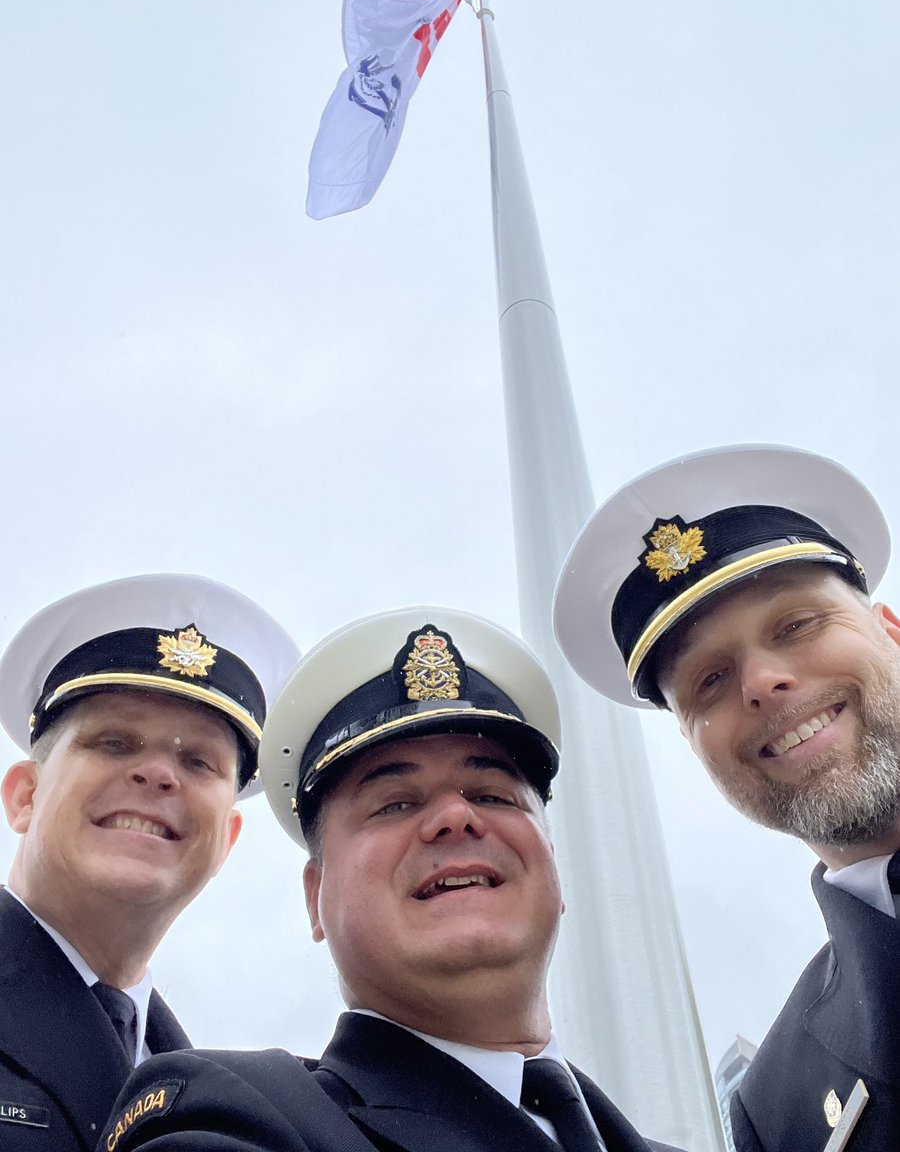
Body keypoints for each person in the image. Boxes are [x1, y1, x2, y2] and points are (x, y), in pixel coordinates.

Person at [99, 606, 679, 1152]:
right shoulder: (228, 1116)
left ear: (552, 864)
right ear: (314, 900)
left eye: (492, 795)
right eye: (394, 804)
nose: (456, 817)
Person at [553, 443, 900, 1152]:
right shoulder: (776, 1102)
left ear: (891, 631)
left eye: (797, 626)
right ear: (696, 744)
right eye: (709, 681)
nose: (761, 682)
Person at [0, 573, 299, 1152]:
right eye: (115, 742)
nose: (160, 773)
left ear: (226, 842)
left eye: (200, 762)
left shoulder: (210, 1095)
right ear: (25, 797)